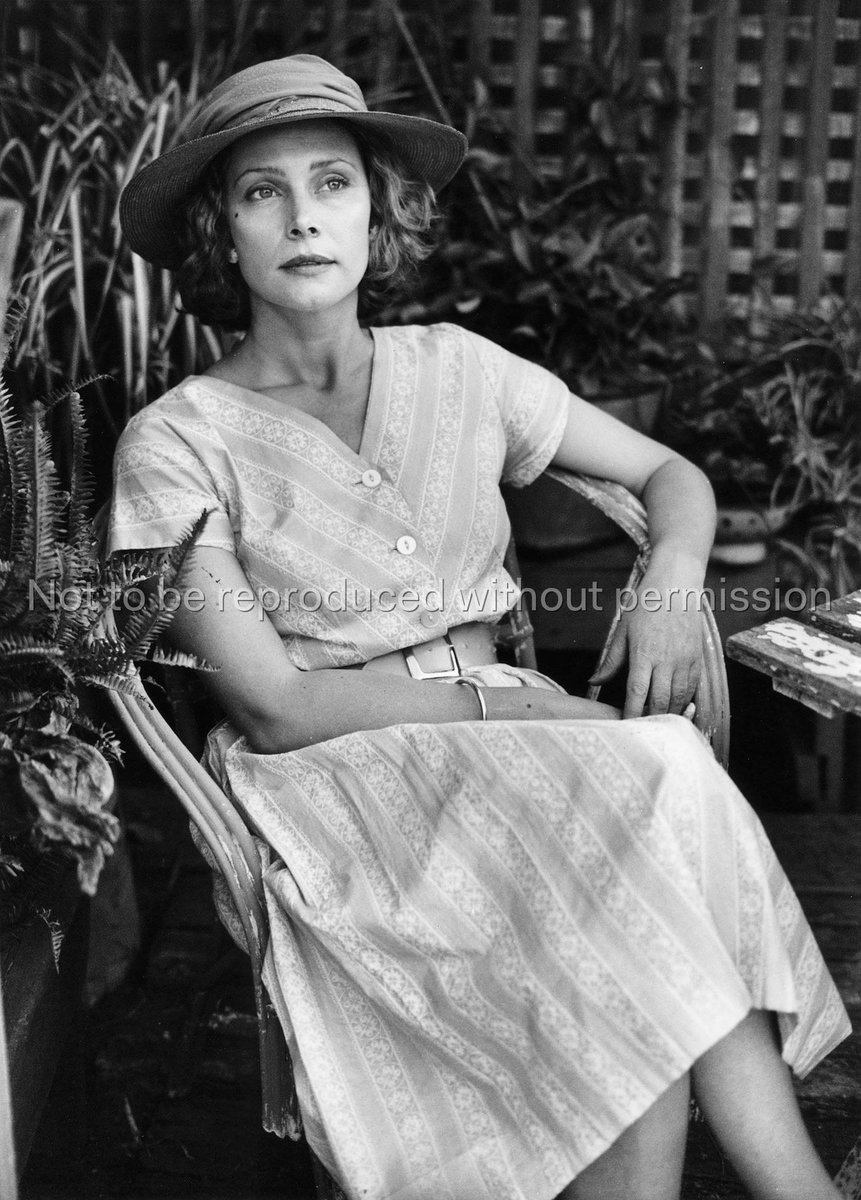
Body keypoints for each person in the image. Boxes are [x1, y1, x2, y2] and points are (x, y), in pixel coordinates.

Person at [109, 53, 850, 1200]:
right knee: (654, 778)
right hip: (336, 774)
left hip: (521, 741)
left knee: (640, 837)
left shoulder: (460, 369)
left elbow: (672, 476)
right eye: (262, 191)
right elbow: (277, 705)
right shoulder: (177, 440)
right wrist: (512, 712)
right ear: (222, 230)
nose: (304, 217)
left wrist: (669, 582)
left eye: (333, 182)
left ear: (377, 212)